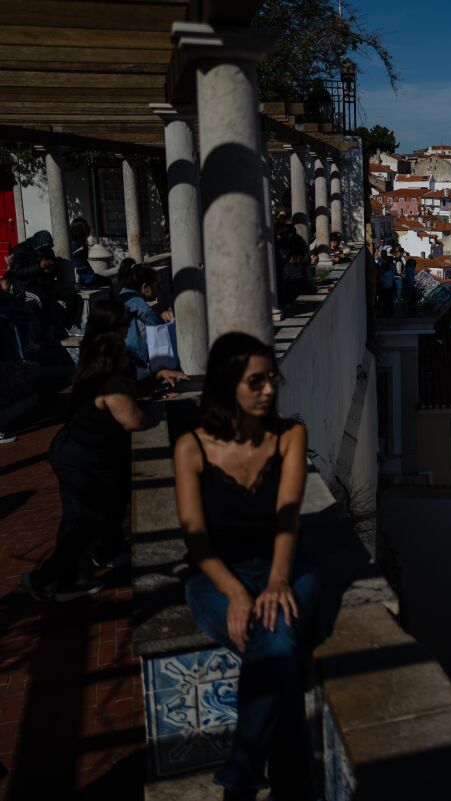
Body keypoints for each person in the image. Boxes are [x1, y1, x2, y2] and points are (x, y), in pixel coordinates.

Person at [174, 333, 317, 801]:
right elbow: (195, 536)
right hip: (215, 577)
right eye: (255, 381)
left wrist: (277, 580)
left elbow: (288, 517)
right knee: (280, 649)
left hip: (286, 567)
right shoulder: (191, 448)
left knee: (275, 636)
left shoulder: (290, 437)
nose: (269, 390)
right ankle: (293, 784)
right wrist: (236, 593)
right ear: (226, 385)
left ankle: (242, 774)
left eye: (272, 379)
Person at [20, 331, 144, 602]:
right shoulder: (110, 385)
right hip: (81, 462)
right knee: (87, 521)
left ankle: (67, 578)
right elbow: (134, 420)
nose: (128, 356)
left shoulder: (91, 378)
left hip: (71, 453)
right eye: (123, 353)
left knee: (77, 520)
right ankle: (46, 580)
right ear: (113, 358)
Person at [116, 262, 174, 374]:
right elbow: (149, 316)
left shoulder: (123, 294)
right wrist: (164, 324)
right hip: (134, 357)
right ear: (145, 288)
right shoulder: (133, 298)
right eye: (158, 286)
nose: (158, 290)